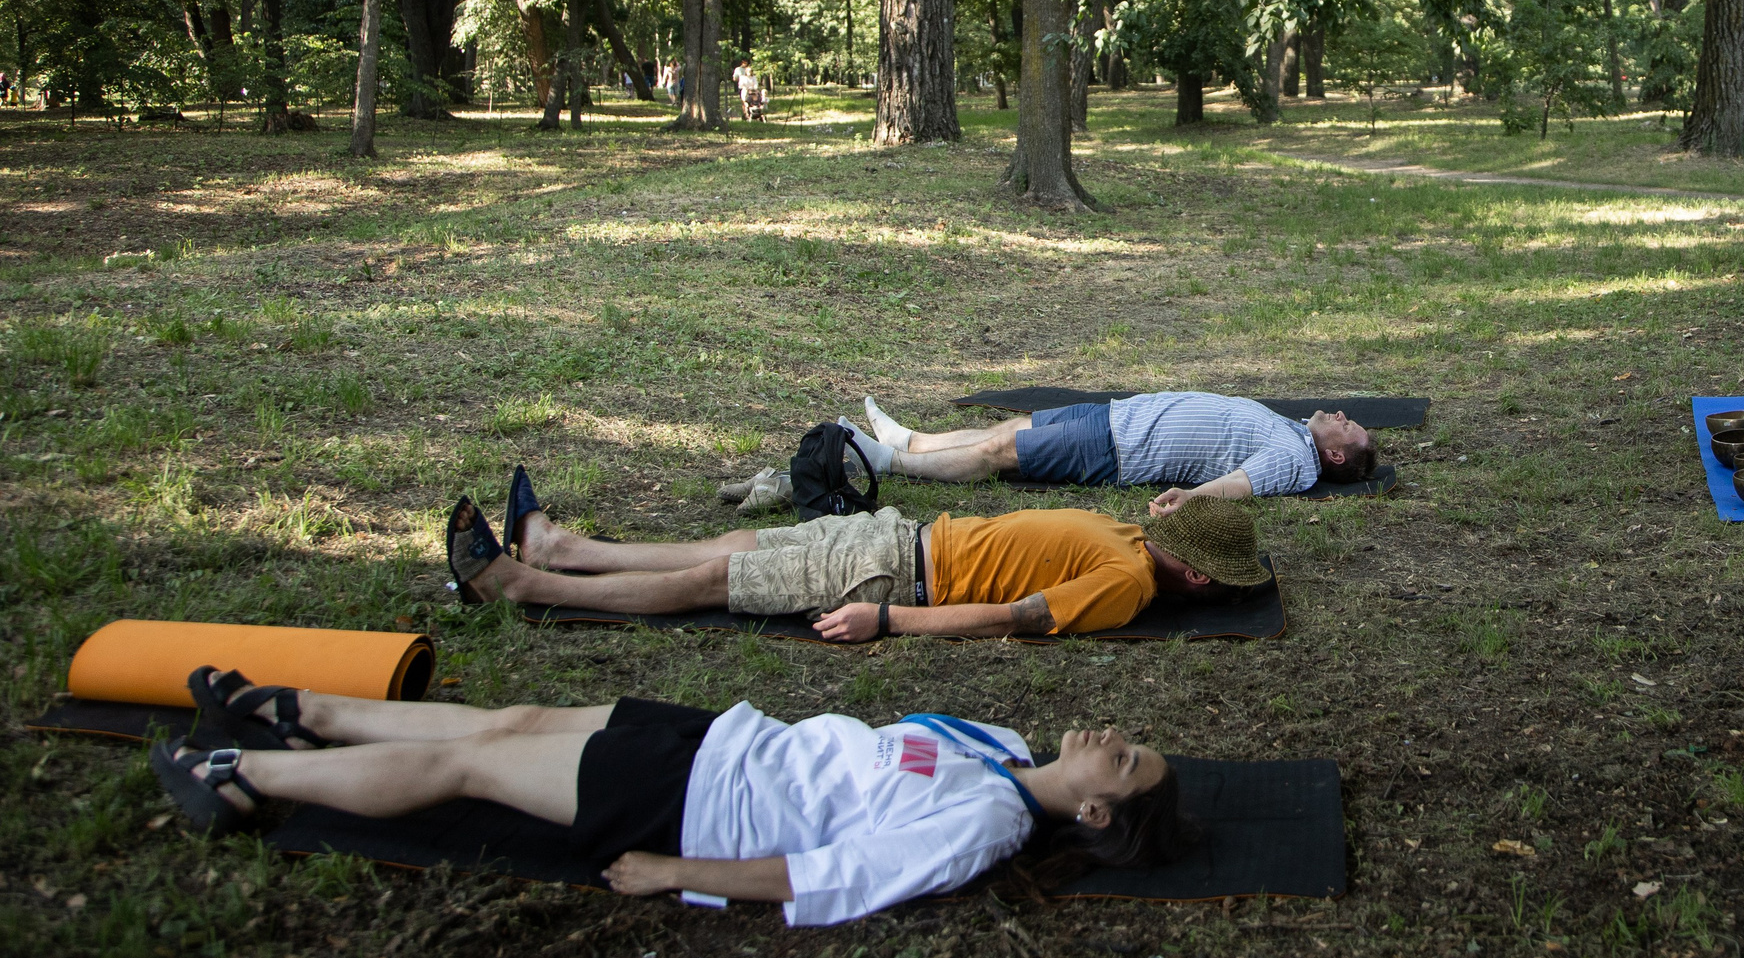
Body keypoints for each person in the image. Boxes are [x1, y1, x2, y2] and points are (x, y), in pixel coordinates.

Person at [149, 675, 1189, 927]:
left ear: (1096, 813)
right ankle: (304, 714)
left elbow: (839, 876)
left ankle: (241, 778)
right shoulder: (998, 745)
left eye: (1125, 759)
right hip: (722, 739)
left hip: (699, 805)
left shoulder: (988, 824)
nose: (1112, 737)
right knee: (515, 719)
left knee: (472, 767)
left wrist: (679, 873)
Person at [442, 483, 1265, 640]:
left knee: (712, 583)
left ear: (1192, 574)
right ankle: (564, 548)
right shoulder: (1132, 539)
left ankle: (521, 584)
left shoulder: (1127, 582)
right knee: (731, 546)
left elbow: (1017, 617)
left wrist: (888, 619)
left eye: (1184, 533)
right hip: (901, 534)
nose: (1168, 519)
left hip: (896, 577)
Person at [847, 391, 1376, 512]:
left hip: (1121, 447)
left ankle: (890, 463)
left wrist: (1191, 498)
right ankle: (910, 441)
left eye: (1347, 426)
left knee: (1001, 451)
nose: (1341, 415)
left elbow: (1244, 484)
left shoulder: (1295, 459)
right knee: (1015, 425)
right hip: (1119, 416)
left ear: (1334, 457)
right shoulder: (1294, 431)